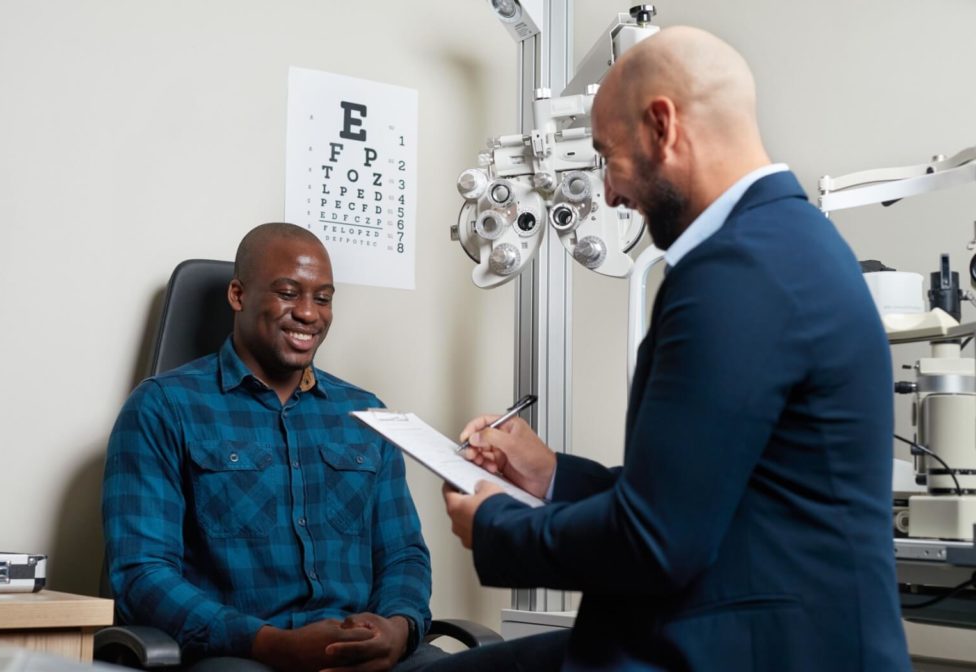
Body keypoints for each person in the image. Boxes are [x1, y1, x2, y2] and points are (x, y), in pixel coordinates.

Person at [435, 26, 911, 671]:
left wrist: (493, 525)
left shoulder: (737, 271)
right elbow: (693, 494)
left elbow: (656, 541)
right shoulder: (787, 241)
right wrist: (549, 477)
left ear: (662, 126)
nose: (606, 193)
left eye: (607, 156)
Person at [103, 223, 447, 672]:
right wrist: (271, 644)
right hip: (242, 655)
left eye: (323, 298)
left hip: (365, 653)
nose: (308, 313)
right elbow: (142, 575)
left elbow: (402, 554)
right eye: (288, 293)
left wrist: (398, 629)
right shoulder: (163, 408)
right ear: (238, 295)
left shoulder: (367, 415)